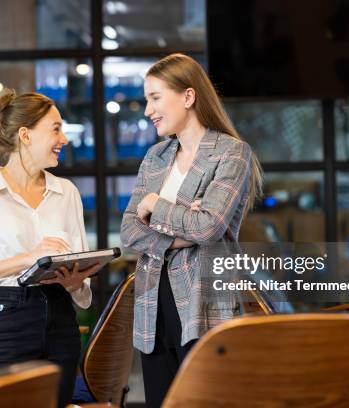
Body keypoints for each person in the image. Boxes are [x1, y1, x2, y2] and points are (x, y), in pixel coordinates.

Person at [120, 53, 263, 407]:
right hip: (152, 308)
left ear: (188, 96)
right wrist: (186, 224)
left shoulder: (232, 154)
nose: (147, 110)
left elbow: (210, 225)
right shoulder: (156, 157)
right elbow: (128, 231)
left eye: (155, 98)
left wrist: (156, 206)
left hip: (204, 306)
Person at [0, 89, 100, 408]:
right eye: (56, 129)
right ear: (25, 135)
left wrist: (75, 282)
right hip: (9, 320)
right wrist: (29, 259)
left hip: (62, 322)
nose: (64, 139)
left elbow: (83, 289)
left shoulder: (67, 193)